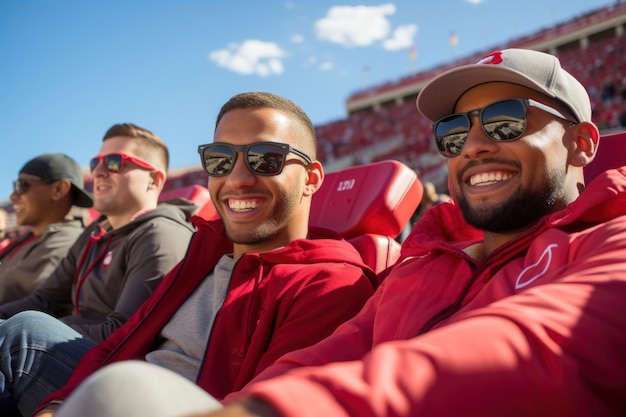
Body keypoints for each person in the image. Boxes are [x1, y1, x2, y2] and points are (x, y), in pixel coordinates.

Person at [52, 48, 626, 417]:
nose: (473, 144)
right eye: (453, 132)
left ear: (581, 144)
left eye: (505, 120)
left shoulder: (609, 242)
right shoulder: (423, 264)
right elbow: (326, 357)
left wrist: (270, 412)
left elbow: (536, 345)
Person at [20, 92, 376, 417]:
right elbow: (118, 344)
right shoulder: (203, 254)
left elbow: (266, 404)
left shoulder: (333, 284)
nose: (236, 179)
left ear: (312, 179)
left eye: (265, 159)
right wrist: (56, 405)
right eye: (220, 160)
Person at [0, 123, 197, 415]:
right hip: (79, 359)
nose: (100, 172)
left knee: (23, 333)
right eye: (97, 163)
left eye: (115, 163)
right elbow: (45, 300)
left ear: (154, 180)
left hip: (118, 375)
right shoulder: (96, 232)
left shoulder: (161, 235)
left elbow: (124, 336)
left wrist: (34, 326)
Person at [0, 153, 92, 303]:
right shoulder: (28, 238)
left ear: (59, 190)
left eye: (21, 185)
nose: (13, 196)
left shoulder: (69, 242)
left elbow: (36, 303)